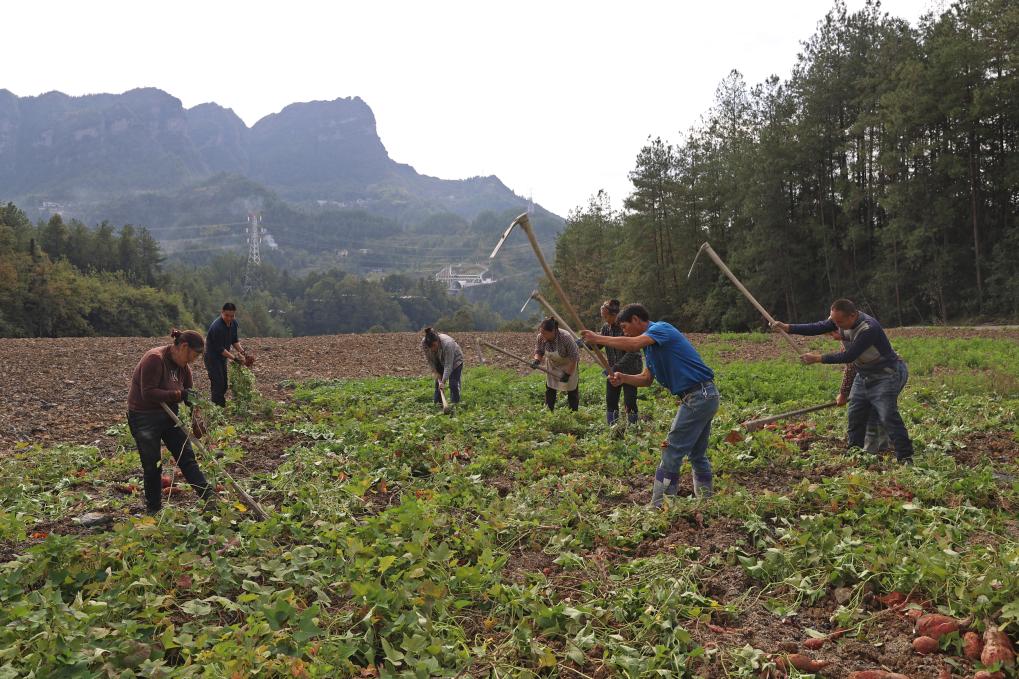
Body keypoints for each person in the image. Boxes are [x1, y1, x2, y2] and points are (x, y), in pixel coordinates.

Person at [581, 304, 717, 506]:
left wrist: (597, 338)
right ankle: (706, 501)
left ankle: (660, 506)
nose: (624, 331)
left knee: (671, 451)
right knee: (697, 453)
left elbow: (633, 344)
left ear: (637, 320)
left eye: (625, 327)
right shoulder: (651, 348)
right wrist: (623, 377)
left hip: (699, 395)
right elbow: (646, 379)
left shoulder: (661, 329)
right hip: (703, 396)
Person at [771, 299, 912, 464]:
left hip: (885, 375)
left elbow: (849, 356)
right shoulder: (839, 320)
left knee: (888, 416)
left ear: (852, 315)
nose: (834, 325)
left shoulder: (868, 328)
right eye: (833, 321)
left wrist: (817, 358)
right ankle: (855, 453)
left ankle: (905, 457)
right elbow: (818, 327)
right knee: (855, 414)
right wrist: (787, 327)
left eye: (839, 322)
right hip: (864, 374)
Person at [127, 329, 214, 514]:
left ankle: (210, 499)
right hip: (144, 416)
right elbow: (148, 393)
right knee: (152, 465)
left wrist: (195, 417)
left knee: (187, 458)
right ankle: (154, 510)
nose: (193, 361)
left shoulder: (184, 368)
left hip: (169, 415)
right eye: (194, 355)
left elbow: (189, 395)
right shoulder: (155, 359)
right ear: (183, 346)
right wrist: (178, 394)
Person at [831, 331, 889, 453]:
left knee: (874, 412)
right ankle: (856, 449)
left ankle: (876, 450)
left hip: (885, 373)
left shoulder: (855, 337)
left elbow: (851, 367)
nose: (831, 337)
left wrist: (843, 393)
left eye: (832, 332)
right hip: (867, 374)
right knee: (858, 410)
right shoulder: (849, 336)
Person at [599, 299, 642, 425]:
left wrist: (615, 367)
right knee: (611, 400)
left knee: (629, 401)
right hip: (613, 369)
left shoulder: (626, 328)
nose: (604, 319)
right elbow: (599, 344)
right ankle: (613, 428)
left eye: (606, 316)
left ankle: (632, 428)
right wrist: (585, 343)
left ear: (614, 315)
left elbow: (633, 352)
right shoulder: (606, 328)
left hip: (630, 370)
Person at [204, 302, 252, 407]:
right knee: (218, 384)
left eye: (232, 316)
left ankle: (218, 406)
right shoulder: (217, 327)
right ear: (222, 313)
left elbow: (234, 340)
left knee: (224, 384)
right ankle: (217, 408)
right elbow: (220, 349)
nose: (229, 318)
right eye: (227, 315)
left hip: (222, 358)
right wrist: (235, 359)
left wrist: (244, 353)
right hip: (212, 357)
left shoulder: (234, 324)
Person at [532, 317, 580, 412]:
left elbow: (574, 358)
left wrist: (567, 374)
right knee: (550, 389)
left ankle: (574, 413)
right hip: (552, 364)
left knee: (571, 390)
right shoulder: (540, 337)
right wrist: (536, 360)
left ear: (553, 331)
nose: (542, 335)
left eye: (545, 333)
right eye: (541, 332)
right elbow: (539, 351)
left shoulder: (566, 337)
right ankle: (549, 411)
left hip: (569, 364)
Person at [421, 327, 464, 406]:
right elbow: (430, 360)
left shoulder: (448, 343)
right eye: (431, 347)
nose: (432, 349)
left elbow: (448, 365)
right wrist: (435, 371)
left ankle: (455, 404)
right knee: (438, 384)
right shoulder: (424, 343)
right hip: (439, 360)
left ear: (437, 340)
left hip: (455, 361)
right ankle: (438, 404)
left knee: (453, 384)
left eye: (434, 345)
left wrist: (443, 381)